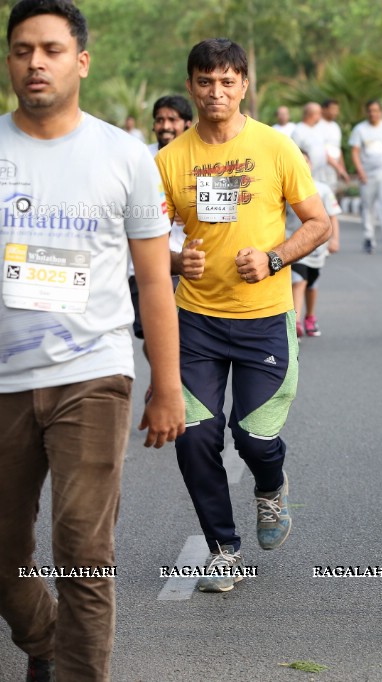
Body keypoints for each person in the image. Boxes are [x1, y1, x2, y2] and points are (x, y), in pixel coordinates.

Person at [0, 1, 185, 679]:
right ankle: (44, 638)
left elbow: (154, 281)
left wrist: (166, 386)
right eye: (22, 50)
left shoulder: (125, 156)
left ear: (80, 60)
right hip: (3, 383)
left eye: (50, 49)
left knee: (82, 545)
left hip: (93, 371)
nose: (35, 62)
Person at [156, 38, 330, 593]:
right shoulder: (169, 159)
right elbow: (145, 242)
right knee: (194, 436)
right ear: (191, 86)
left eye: (227, 81)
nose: (216, 92)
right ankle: (222, 547)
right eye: (205, 82)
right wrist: (176, 258)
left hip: (264, 319)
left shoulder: (276, 148)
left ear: (244, 86)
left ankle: (270, 487)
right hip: (197, 321)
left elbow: (318, 221)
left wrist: (276, 256)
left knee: (254, 439)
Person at [129, 94, 193, 343]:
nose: (165, 126)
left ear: (187, 123)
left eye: (172, 120)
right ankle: (161, 379)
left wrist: (189, 211)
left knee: (181, 338)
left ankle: (165, 382)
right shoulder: (140, 157)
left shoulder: (200, 158)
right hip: (142, 263)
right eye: (160, 120)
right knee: (151, 336)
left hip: (185, 262)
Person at [290, 151, 342, 338]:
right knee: (298, 280)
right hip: (292, 243)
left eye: (306, 161)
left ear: (311, 165)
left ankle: (310, 317)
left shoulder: (323, 189)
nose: (303, 165)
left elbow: (332, 216)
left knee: (312, 283)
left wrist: (334, 239)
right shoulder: (285, 186)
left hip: (317, 246)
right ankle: (294, 322)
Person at [350, 99, 382, 254]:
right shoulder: (360, 129)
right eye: (370, 111)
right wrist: (360, 171)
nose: (373, 114)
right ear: (367, 112)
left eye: (376, 111)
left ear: (380, 112)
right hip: (367, 174)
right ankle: (368, 237)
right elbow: (355, 152)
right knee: (368, 206)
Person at [319, 97, 350, 189]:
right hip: (322, 170)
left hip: (334, 170)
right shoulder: (318, 126)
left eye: (337, 109)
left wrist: (342, 168)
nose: (335, 112)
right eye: (333, 109)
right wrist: (338, 168)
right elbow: (321, 151)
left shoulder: (335, 126)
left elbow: (338, 148)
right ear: (324, 109)